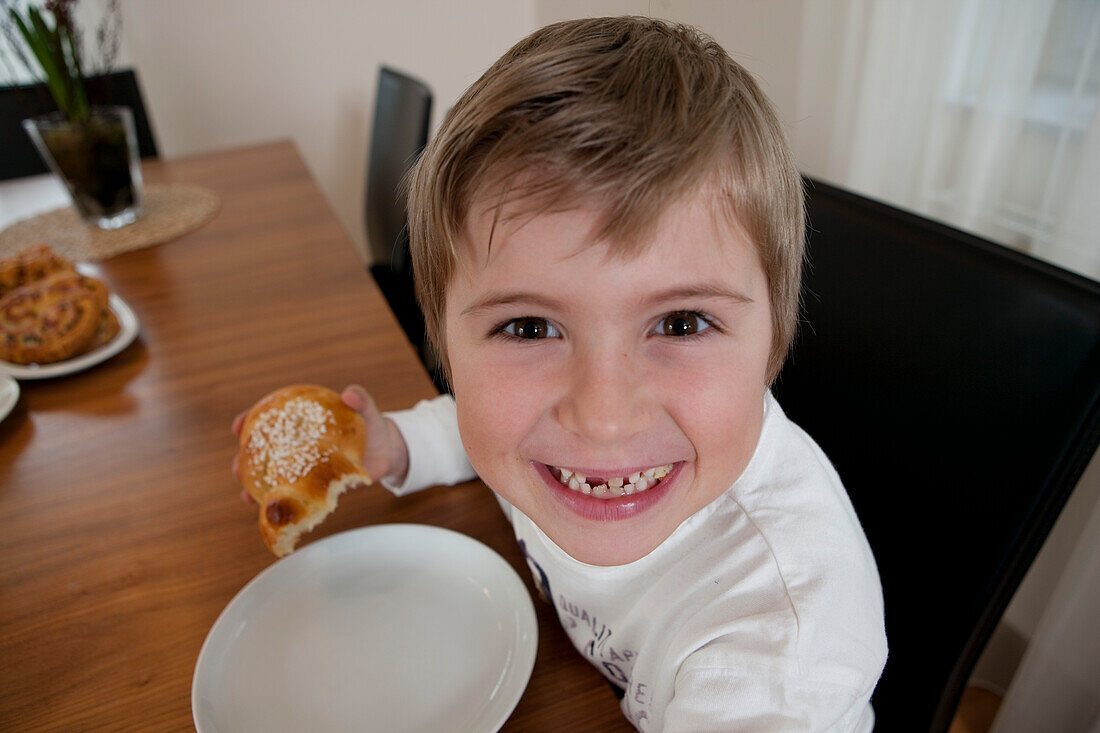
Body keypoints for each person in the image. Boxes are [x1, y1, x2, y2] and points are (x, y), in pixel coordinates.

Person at [236, 16, 887, 732]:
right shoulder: (539, 434)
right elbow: (476, 420)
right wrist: (397, 445)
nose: (602, 420)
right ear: (444, 344)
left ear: (772, 347)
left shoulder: (777, 653)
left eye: (680, 323)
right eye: (529, 328)